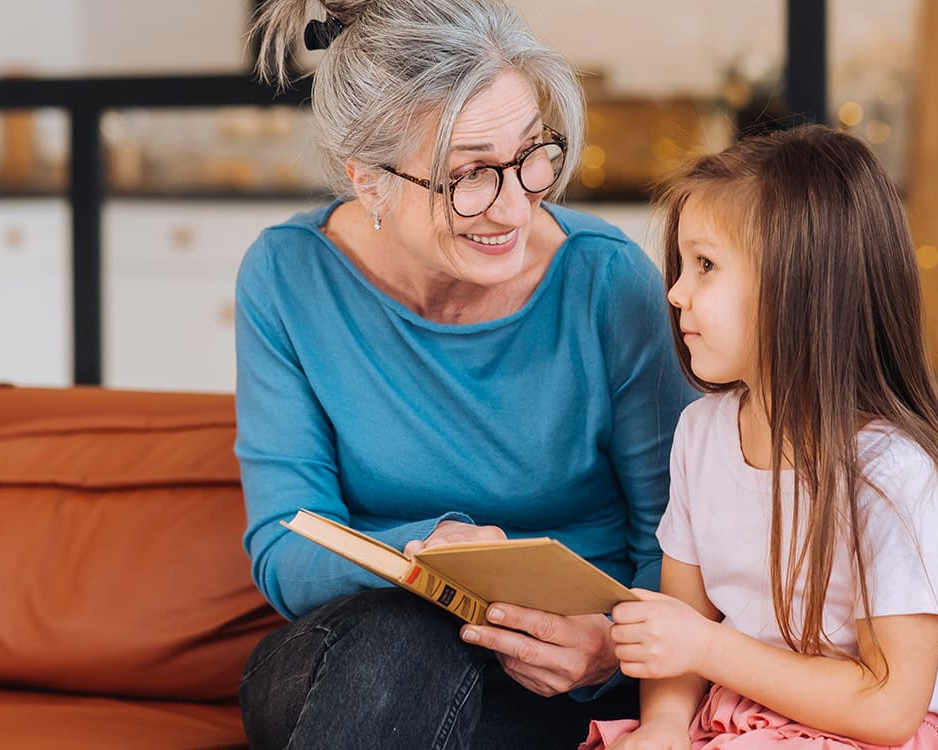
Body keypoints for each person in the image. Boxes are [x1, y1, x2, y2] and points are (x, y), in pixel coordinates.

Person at [233, 1, 696, 747]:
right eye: (470, 175)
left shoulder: (606, 283)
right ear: (368, 181)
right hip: (350, 652)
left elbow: (678, 545)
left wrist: (609, 646)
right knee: (402, 641)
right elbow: (283, 544)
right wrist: (423, 553)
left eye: (530, 154)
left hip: (551, 684)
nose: (514, 204)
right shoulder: (288, 275)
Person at [583, 125, 938, 750]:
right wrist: (666, 726)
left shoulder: (896, 474)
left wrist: (708, 648)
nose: (674, 292)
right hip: (726, 724)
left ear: (799, 288)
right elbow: (682, 626)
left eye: (705, 265)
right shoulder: (700, 434)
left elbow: (889, 707)